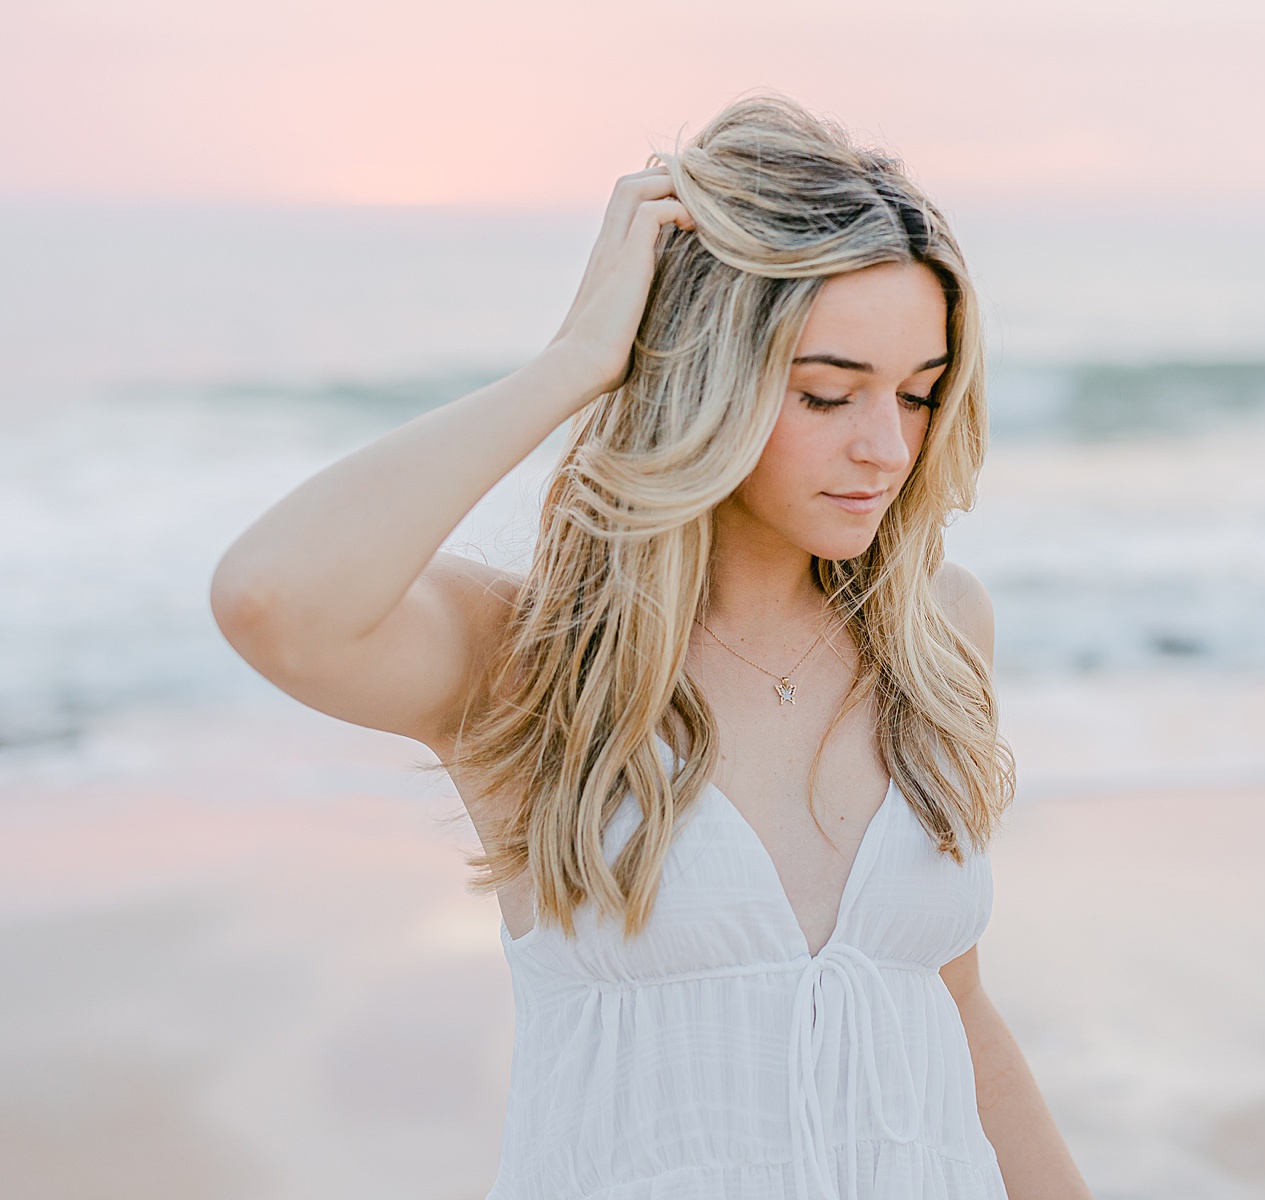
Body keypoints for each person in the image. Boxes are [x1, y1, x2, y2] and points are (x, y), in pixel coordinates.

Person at [210, 96, 1091, 1198]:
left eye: (918, 395)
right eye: (827, 393)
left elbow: (953, 1004)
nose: (886, 448)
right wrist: (578, 360)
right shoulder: (531, 663)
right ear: (701, 378)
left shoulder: (940, 632)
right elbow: (271, 597)